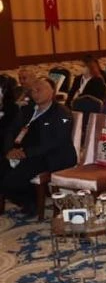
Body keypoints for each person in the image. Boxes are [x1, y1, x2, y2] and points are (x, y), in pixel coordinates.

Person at [0, 77, 77, 216]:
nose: (35, 93)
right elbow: (11, 131)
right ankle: (28, 199)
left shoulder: (62, 113)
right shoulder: (27, 110)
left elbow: (55, 142)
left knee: (13, 179)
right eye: (33, 90)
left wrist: (26, 153)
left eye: (39, 90)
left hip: (52, 156)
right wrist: (9, 150)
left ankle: (30, 201)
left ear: (52, 91)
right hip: (25, 152)